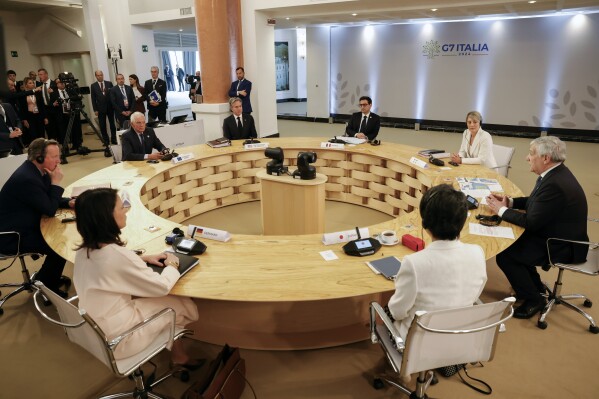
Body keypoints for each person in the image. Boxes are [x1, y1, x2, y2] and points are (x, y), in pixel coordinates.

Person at [72, 187, 199, 363]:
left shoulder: (83, 251)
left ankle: (178, 353)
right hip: (120, 339)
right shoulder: (118, 257)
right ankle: (179, 356)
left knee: (160, 304)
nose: (125, 211)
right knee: (182, 304)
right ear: (106, 218)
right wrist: (173, 264)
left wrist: (140, 258)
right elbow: (161, 287)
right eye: (121, 207)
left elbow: (111, 266)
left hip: (95, 331)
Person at [486, 136, 588, 319]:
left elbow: (531, 222)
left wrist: (500, 210)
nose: (527, 158)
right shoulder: (555, 174)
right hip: (557, 233)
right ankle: (537, 288)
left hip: (561, 244)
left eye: (532, 154)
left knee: (506, 254)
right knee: (513, 245)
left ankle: (533, 299)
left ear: (546, 158)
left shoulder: (555, 184)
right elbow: (535, 203)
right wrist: (510, 202)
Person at [387, 184, 487, 339]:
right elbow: (473, 297)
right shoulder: (477, 253)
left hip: (417, 344)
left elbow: (397, 312)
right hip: (459, 336)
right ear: (462, 222)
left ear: (425, 225)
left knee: (386, 310)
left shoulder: (413, 263)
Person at [0, 138, 75, 297]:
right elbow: (49, 209)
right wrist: (56, 184)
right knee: (60, 246)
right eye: (54, 156)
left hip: (25, 224)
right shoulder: (27, 178)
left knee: (61, 237)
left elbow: (46, 198)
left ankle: (45, 278)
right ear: (39, 157)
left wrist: (70, 203)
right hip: (12, 236)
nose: (59, 160)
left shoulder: (38, 171)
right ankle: (47, 287)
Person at [90, 70, 117, 145]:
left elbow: (113, 96)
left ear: (103, 75)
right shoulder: (93, 85)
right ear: (96, 76)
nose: (100, 76)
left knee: (112, 124)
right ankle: (106, 140)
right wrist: (95, 109)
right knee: (102, 125)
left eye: (101, 75)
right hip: (100, 108)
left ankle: (114, 139)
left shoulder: (109, 83)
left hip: (110, 107)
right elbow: (93, 98)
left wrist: (114, 106)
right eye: (98, 75)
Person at [17, 77, 47, 145]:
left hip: (39, 115)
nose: (32, 84)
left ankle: (43, 149)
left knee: (41, 133)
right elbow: (21, 108)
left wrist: (45, 117)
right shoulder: (23, 94)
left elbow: (42, 105)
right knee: (33, 134)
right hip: (30, 116)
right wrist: (24, 119)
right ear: (26, 85)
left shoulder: (38, 92)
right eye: (30, 83)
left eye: (33, 82)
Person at [55, 77, 82, 150]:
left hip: (71, 113)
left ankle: (77, 145)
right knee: (63, 131)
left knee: (75, 130)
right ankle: (65, 148)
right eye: (59, 82)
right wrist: (54, 104)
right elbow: (51, 103)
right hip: (61, 115)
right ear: (56, 84)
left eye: (62, 82)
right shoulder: (54, 93)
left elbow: (77, 98)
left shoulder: (69, 90)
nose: (62, 84)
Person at [38, 68, 60, 141]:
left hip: (56, 110)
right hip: (46, 110)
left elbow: (59, 96)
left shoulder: (54, 84)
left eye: (41, 74)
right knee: (49, 130)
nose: (39, 76)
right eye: (39, 75)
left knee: (59, 129)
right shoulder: (40, 86)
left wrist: (53, 93)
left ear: (46, 74)